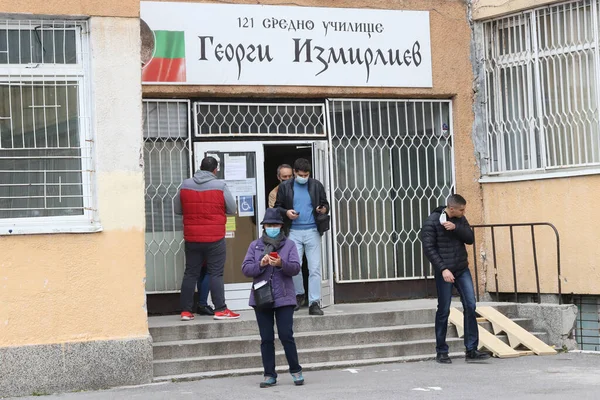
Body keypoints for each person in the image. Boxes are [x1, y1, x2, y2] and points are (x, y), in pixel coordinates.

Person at [420, 194, 491, 364]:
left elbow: (470, 239)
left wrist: (456, 228)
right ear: (451, 208)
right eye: (461, 209)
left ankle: (471, 349)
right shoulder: (432, 221)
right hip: (444, 271)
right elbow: (429, 248)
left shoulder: (460, 219)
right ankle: (442, 351)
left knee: (470, 305)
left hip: (461, 268)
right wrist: (443, 269)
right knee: (444, 309)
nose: (463, 212)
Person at [242, 208, 304, 388]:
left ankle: (295, 370)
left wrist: (280, 264)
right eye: (269, 225)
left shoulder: (290, 245)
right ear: (264, 227)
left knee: (286, 335)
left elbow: (295, 268)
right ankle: (269, 375)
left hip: (284, 297)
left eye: (275, 225)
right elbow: (246, 269)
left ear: (281, 226)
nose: (272, 228)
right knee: (266, 338)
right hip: (261, 298)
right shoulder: (255, 246)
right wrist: (260, 264)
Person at [175, 156, 240, 321]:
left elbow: (177, 209)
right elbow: (232, 209)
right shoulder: (220, 186)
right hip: (215, 238)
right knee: (216, 273)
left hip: (192, 238)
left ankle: (185, 311)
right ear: (215, 170)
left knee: (190, 273)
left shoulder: (185, 184)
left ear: (200, 167)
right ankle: (220, 310)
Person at [275, 158, 330, 316]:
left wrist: (323, 209)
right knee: (294, 266)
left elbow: (325, 204)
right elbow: (277, 208)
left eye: (306, 175)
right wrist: (286, 212)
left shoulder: (316, 185)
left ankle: (314, 302)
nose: (303, 177)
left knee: (314, 268)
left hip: (313, 230)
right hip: (293, 231)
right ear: (294, 172)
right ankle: (298, 295)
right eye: (300, 174)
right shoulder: (285, 186)